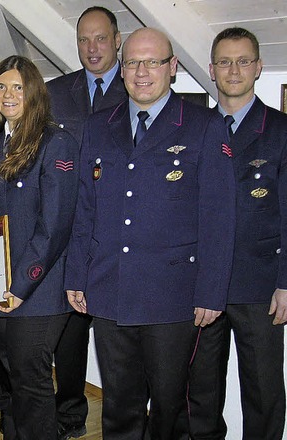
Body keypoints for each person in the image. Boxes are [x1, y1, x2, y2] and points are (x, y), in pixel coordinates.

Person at [64, 28, 236, 439]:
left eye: (152, 62)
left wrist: (212, 292)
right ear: (121, 70)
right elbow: (84, 206)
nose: (141, 72)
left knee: (170, 409)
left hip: (173, 296)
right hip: (110, 289)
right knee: (119, 405)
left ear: (172, 67)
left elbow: (220, 216)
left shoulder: (203, 126)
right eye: (132, 62)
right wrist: (76, 275)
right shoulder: (98, 126)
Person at [0, 55, 79, 440]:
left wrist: (20, 286)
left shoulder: (56, 143)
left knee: (31, 385)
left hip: (37, 290)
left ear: (33, 91)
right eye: (1, 86)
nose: (8, 94)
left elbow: (55, 227)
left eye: (18, 86)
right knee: (12, 379)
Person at [188, 27, 287, 439]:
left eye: (243, 60)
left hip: (260, 283)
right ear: (211, 69)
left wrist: (286, 282)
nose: (233, 70)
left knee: (263, 390)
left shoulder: (282, 131)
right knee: (201, 389)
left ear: (258, 67)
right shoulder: (193, 130)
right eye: (225, 61)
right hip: (203, 283)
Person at [46, 7, 127, 438]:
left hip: (118, 234)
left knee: (119, 342)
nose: (91, 48)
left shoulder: (138, 88)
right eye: (83, 40)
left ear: (117, 40)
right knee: (70, 336)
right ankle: (71, 414)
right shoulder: (55, 92)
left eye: (100, 38)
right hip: (68, 235)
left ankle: (123, 416)